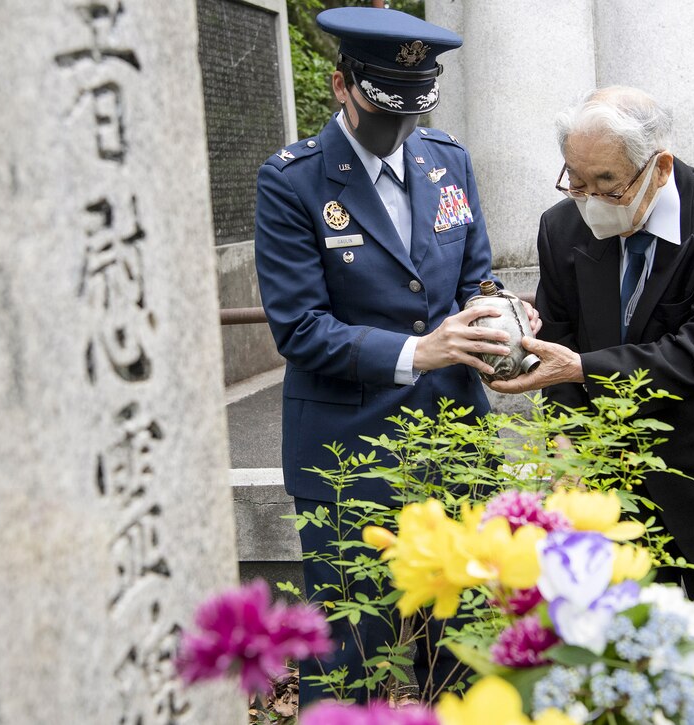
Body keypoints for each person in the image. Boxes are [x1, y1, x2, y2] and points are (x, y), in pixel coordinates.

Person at [489, 86, 694, 724]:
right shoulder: (562, 224)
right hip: (615, 497)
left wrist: (580, 367)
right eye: (574, 180)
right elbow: (564, 340)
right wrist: (561, 434)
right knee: (632, 688)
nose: (588, 199)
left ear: (657, 166)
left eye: (605, 182)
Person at [254, 6, 538, 706]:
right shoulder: (293, 182)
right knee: (348, 659)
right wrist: (421, 348)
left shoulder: (448, 162)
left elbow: (476, 274)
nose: (400, 126)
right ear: (342, 84)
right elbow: (300, 327)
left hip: (453, 445)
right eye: (386, 103)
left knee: (466, 649)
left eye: (414, 107)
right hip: (349, 457)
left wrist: (501, 314)